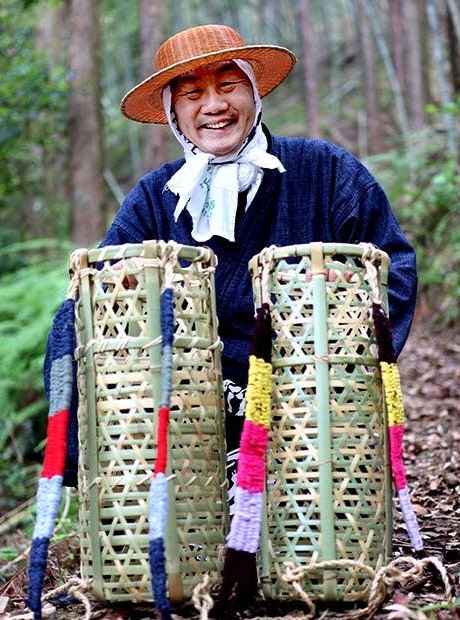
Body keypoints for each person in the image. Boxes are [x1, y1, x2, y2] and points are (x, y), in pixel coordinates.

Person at [102, 23, 417, 491]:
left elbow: (393, 271)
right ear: (173, 112)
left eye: (229, 86)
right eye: (192, 94)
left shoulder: (326, 171)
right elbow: (107, 295)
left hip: (319, 415)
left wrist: (329, 353)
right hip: (194, 428)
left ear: (253, 92)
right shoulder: (154, 199)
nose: (214, 106)